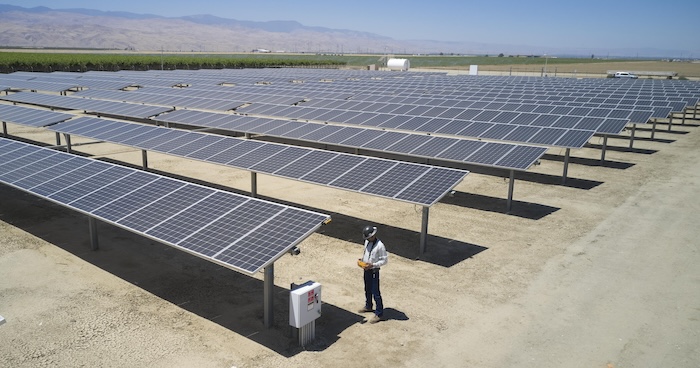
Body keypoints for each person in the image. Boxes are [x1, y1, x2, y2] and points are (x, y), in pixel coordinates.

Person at [357, 225, 388, 323]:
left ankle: (379, 313)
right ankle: (368, 306)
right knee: (367, 288)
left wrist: (373, 265)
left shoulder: (380, 246)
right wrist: (362, 260)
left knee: (375, 292)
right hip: (366, 269)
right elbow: (366, 253)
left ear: (373, 236)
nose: (367, 239)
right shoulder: (367, 242)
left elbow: (384, 260)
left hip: (374, 271)